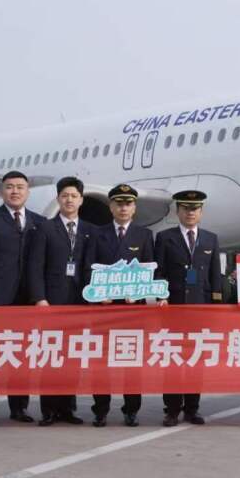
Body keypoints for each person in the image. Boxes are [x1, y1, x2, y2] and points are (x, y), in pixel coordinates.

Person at [0, 170, 44, 425]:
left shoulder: (39, 222)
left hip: (26, 299)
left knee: (21, 355)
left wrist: (39, 296)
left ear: (28, 191)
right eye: (10, 187)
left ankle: (19, 408)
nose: (15, 191)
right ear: (2, 192)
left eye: (20, 187)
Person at [28, 176, 95, 426]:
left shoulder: (90, 230)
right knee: (51, 355)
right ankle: (48, 410)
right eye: (64, 196)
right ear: (58, 199)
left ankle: (68, 408)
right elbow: (35, 266)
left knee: (72, 357)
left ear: (81, 200)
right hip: (52, 302)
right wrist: (39, 298)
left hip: (79, 302)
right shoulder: (45, 228)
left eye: (74, 196)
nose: (69, 200)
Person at [154, 190, 223, 426]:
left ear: (201, 212)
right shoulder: (165, 238)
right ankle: (172, 410)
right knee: (173, 360)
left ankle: (192, 409)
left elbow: (215, 275)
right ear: (178, 211)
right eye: (185, 208)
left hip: (199, 309)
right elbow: (159, 271)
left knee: (195, 360)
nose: (190, 213)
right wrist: (160, 296)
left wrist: (215, 306)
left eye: (195, 209)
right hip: (173, 308)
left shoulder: (211, 239)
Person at [90, 183, 153, 427]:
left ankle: (131, 409)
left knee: (131, 362)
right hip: (104, 308)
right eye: (118, 203)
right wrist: (99, 294)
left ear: (134, 207)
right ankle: (101, 409)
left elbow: (150, 269)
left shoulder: (144, 235)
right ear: (111, 207)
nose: (123, 208)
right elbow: (89, 267)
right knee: (101, 362)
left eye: (128, 203)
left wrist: (138, 293)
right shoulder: (97, 233)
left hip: (132, 309)